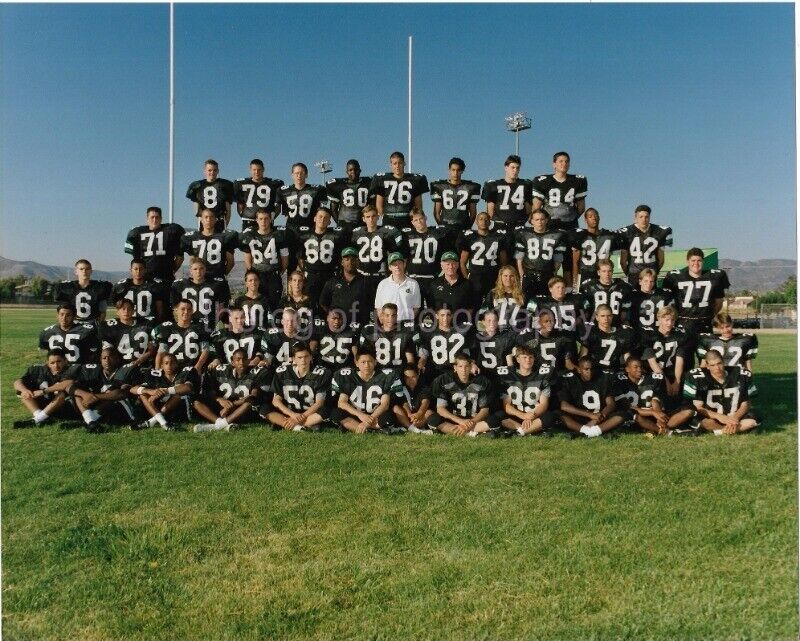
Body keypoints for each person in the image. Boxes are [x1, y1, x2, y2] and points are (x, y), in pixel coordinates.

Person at [662, 247, 731, 360]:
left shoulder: (714, 276)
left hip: (704, 324)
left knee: (706, 359)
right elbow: (668, 302)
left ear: (703, 261)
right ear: (687, 262)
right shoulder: (675, 277)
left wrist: (710, 315)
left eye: (699, 260)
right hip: (684, 324)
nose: (696, 263)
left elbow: (719, 302)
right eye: (693, 260)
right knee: (684, 361)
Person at [613, 356, 694, 436]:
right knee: (633, 415)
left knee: (688, 411)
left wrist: (658, 415)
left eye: (641, 367)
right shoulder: (620, 381)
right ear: (627, 369)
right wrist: (652, 412)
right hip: (636, 416)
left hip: (652, 414)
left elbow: (655, 400)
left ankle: (659, 428)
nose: (639, 369)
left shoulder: (652, 378)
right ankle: (665, 431)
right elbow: (627, 407)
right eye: (635, 367)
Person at [683, 350, 759, 435]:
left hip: (734, 415)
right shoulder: (696, 377)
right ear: (707, 366)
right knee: (705, 422)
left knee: (753, 417)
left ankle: (720, 431)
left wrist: (735, 418)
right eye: (712, 365)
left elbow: (746, 404)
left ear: (723, 362)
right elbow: (698, 408)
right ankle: (734, 429)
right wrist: (720, 417)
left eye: (719, 363)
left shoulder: (741, 374)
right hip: (711, 417)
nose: (717, 368)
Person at [330, 347, 404, 434]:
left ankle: (359, 428)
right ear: (356, 363)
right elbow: (342, 403)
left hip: (375, 416)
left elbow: (385, 404)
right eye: (363, 362)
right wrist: (360, 415)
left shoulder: (384, 376)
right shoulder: (347, 376)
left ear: (375, 362)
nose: (366, 365)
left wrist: (368, 420)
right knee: (336, 413)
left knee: (389, 416)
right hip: (356, 415)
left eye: (370, 361)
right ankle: (371, 431)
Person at [192, 349, 267, 432]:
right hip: (221, 407)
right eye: (238, 360)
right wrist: (220, 399)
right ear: (232, 362)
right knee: (196, 402)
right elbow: (209, 391)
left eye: (244, 359)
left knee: (248, 404)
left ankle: (217, 426)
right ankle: (221, 423)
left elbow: (253, 395)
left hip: (240, 410)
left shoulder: (256, 372)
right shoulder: (221, 371)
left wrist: (230, 405)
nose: (241, 362)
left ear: (249, 360)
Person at [69, 347, 140, 432]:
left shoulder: (124, 371)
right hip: (102, 411)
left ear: (117, 359)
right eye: (104, 358)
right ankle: (91, 422)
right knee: (78, 394)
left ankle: (90, 419)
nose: (107, 360)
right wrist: (86, 395)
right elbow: (71, 387)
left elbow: (122, 394)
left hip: (121, 412)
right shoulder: (95, 372)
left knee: (112, 397)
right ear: (100, 360)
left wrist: (95, 396)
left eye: (110, 357)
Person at [427, 352, 497, 436]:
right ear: (455, 367)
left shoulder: (482, 382)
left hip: (474, 421)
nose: (463, 370)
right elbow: (440, 409)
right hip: (453, 421)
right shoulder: (444, 380)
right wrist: (461, 421)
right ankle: (471, 434)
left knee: (494, 420)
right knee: (433, 419)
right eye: (460, 366)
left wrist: (471, 422)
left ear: (471, 367)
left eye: (466, 366)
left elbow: (484, 411)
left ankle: (457, 432)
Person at [266, 342, 332, 432]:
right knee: (265, 408)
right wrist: (293, 415)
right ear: (294, 359)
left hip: (310, 413)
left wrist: (300, 417)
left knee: (327, 410)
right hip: (290, 412)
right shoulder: (283, 372)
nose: (303, 360)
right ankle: (302, 427)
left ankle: (287, 425)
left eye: (306, 356)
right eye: (299, 357)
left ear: (311, 357)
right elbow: (276, 401)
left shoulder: (321, 373)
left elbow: (319, 403)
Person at [495, 344, 557, 436]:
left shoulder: (542, 376)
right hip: (516, 416)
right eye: (524, 357)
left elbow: (544, 404)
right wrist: (522, 415)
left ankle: (518, 432)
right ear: (518, 359)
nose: (528, 360)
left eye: (530, 357)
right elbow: (506, 406)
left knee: (550, 416)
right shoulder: (508, 376)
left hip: (534, 416)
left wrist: (531, 416)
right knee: (498, 415)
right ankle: (531, 430)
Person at [129, 352, 201, 430]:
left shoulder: (185, 371)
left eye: (172, 363)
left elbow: (188, 387)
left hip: (179, 407)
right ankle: (164, 423)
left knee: (178, 395)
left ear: (177, 364)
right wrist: (149, 391)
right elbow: (132, 389)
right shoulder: (154, 374)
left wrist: (164, 391)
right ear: (161, 366)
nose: (169, 366)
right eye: (166, 363)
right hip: (158, 406)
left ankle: (153, 421)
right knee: (143, 394)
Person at [350, 204, 404, 306]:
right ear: (363, 219)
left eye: (373, 216)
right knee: (362, 306)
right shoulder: (356, 233)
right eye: (368, 217)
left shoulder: (387, 232)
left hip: (380, 275)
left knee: (381, 305)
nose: (371, 219)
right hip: (361, 275)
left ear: (378, 217)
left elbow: (394, 252)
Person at [559, 356, 625, 437]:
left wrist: (601, 415)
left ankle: (588, 432)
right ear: (579, 370)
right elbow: (564, 406)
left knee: (621, 415)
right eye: (586, 369)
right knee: (558, 414)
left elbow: (611, 404)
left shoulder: (603, 379)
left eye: (592, 369)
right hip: (579, 417)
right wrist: (590, 415)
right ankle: (589, 430)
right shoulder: (570, 380)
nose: (589, 372)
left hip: (600, 417)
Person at [239, 208, 291, 311]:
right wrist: (252, 272)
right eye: (261, 219)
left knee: (274, 305)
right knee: (256, 305)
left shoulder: (279, 235)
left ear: (271, 220)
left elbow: (285, 259)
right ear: (256, 220)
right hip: (257, 275)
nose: (263, 221)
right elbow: (247, 258)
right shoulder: (250, 235)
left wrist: (279, 272)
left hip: (273, 275)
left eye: (266, 219)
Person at [13, 349, 80, 428]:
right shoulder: (38, 369)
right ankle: (40, 415)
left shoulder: (72, 369)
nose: (56, 365)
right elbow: (17, 382)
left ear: (65, 361)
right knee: (22, 391)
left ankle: (37, 419)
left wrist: (43, 391)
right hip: (43, 404)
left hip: (64, 406)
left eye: (59, 361)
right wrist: (24, 390)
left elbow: (67, 383)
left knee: (62, 394)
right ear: (47, 363)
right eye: (52, 363)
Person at [403, 208, 455, 307]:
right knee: (415, 310)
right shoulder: (407, 235)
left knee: (436, 309)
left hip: (432, 278)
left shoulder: (438, 233)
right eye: (416, 220)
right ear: (412, 222)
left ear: (426, 218)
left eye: (421, 218)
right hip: (414, 278)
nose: (419, 222)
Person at [514, 210, 570, 298]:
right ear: (531, 221)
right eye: (536, 220)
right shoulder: (523, 234)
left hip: (548, 275)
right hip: (529, 276)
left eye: (542, 219)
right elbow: (519, 259)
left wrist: (554, 274)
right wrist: (522, 276)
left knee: (547, 303)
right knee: (528, 304)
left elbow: (558, 260)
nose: (539, 222)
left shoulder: (557, 235)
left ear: (546, 220)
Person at [297, 206, 345, 308]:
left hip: (329, 275)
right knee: (310, 305)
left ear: (329, 222)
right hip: (311, 276)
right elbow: (301, 257)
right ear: (314, 218)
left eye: (326, 218)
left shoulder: (335, 236)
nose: (322, 220)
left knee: (328, 305)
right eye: (320, 216)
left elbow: (339, 257)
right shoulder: (305, 235)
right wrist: (305, 270)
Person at [458, 211, 508, 305]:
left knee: (493, 306)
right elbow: (462, 262)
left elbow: (504, 262)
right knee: (474, 306)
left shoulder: (498, 237)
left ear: (490, 222)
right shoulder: (470, 237)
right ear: (476, 221)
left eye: (486, 219)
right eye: (480, 219)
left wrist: (500, 277)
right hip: (475, 277)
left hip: (493, 276)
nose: (483, 221)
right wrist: (467, 277)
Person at [370, 150, 429, 229]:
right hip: (389, 218)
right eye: (394, 163)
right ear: (391, 165)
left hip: (407, 219)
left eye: (400, 163)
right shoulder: (381, 179)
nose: (397, 166)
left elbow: (418, 205)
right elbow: (379, 204)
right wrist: (384, 216)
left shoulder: (415, 180)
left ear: (404, 163)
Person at [124, 206, 185, 283]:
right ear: (147, 219)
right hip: (146, 279)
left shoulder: (171, 231)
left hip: (166, 278)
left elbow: (180, 257)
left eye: (157, 217)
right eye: (152, 217)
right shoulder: (137, 233)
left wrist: (172, 270)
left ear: (161, 219)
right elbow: (136, 261)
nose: (154, 220)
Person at [531, 151, 588, 231]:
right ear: (554, 164)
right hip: (550, 225)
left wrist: (569, 217)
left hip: (570, 225)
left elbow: (581, 208)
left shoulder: (578, 181)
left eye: (566, 161)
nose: (564, 163)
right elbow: (536, 208)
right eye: (561, 161)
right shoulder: (542, 181)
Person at [358, 303, 420, 376]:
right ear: (382, 316)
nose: (390, 319)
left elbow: (410, 358)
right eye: (387, 315)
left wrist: (410, 371)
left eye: (393, 315)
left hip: (398, 372)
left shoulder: (405, 332)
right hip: (378, 373)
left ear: (397, 316)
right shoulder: (370, 332)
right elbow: (366, 357)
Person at [617, 205, 673, 285]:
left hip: (650, 276)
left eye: (646, 217)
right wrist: (630, 274)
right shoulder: (625, 233)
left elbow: (661, 260)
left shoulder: (660, 232)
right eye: (641, 217)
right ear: (635, 217)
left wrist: (654, 273)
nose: (644, 219)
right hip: (634, 275)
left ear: (649, 217)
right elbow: (623, 262)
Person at [169, 258, 230, 330]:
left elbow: (221, 307)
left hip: (208, 324)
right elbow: (175, 308)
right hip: (187, 324)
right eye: (195, 269)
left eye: (201, 268)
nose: (198, 271)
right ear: (190, 271)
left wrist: (214, 321)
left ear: (205, 269)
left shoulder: (216, 284)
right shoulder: (179, 285)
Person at [151, 298, 210, 373]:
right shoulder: (168, 329)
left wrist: (197, 367)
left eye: (189, 309)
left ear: (192, 311)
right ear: (176, 310)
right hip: (172, 370)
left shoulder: (199, 328)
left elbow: (205, 350)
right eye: (183, 309)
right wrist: (157, 370)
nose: (186, 312)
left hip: (192, 369)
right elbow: (162, 352)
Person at [640, 306, 689, 397]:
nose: (670, 323)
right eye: (666, 320)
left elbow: (679, 360)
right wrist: (665, 381)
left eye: (672, 320)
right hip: (653, 374)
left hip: (672, 372)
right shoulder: (649, 335)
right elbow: (652, 362)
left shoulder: (679, 335)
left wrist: (677, 382)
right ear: (659, 319)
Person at [318, 247, 373, 326]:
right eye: (347, 259)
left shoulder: (366, 281)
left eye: (353, 259)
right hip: (338, 326)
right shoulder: (332, 282)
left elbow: (372, 304)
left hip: (359, 326)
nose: (350, 262)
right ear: (342, 262)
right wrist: (333, 315)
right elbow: (323, 303)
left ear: (357, 262)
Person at [571, 208, 622, 291]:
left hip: (604, 274)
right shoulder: (580, 236)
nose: (594, 218)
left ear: (599, 218)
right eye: (590, 216)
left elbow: (621, 250)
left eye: (596, 215)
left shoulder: (609, 235)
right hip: (586, 274)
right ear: (586, 220)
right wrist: (575, 284)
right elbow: (575, 262)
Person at [417, 305, 475, 378]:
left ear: (452, 316)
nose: (445, 318)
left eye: (448, 315)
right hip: (436, 372)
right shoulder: (429, 333)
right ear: (436, 316)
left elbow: (466, 354)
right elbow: (423, 355)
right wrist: (420, 364)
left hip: (456, 372)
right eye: (442, 315)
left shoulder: (460, 332)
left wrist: (472, 364)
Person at [518, 308, 578, 377]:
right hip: (538, 377)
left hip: (557, 375)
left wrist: (578, 370)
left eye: (551, 321)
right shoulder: (531, 338)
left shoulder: (562, 338)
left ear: (555, 321)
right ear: (539, 322)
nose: (549, 323)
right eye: (546, 321)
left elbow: (568, 363)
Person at [180, 209, 238, 279]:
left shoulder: (224, 237)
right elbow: (193, 260)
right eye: (206, 217)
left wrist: (222, 274)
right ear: (201, 219)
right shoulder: (194, 237)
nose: (208, 220)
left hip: (217, 278)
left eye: (211, 217)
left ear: (215, 220)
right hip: (200, 278)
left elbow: (230, 262)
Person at [580, 304, 637, 373]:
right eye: (602, 316)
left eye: (609, 316)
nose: (606, 319)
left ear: (612, 316)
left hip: (614, 371)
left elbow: (627, 356)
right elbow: (583, 356)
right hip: (595, 371)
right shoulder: (591, 333)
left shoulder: (621, 333)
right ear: (597, 317)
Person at [98, 298, 155, 367]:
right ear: (117, 311)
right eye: (123, 309)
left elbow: (152, 349)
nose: (126, 311)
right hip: (119, 365)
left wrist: (140, 360)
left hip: (143, 363)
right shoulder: (109, 327)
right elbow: (107, 352)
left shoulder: (146, 324)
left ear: (133, 311)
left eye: (129, 309)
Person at [53, 258, 113, 323]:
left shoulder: (99, 287)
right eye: (81, 269)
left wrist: (99, 325)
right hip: (74, 324)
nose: (84, 271)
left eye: (87, 269)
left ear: (91, 271)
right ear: (76, 271)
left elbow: (103, 311)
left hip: (93, 323)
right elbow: (64, 311)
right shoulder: (67, 288)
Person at [481, 154, 533, 228]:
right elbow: (490, 211)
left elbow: (528, 209)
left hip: (519, 225)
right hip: (500, 225)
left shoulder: (526, 185)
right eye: (513, 167)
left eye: (517, 168)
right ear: (506, 168)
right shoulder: (493, 185)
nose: (515, 170)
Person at [427, 251, 478, 327]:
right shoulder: (434, 284)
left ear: (457, 265)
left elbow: (471, 308)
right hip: (440, 328)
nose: (450, 267)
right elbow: (431, 307)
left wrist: (463, 324)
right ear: (441, 265)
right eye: (447, 264)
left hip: (460, 327)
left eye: (453, 264)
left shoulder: (467, 284)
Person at [429, 157, 481, 231]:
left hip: (463, 226)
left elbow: (473, 213)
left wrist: (467, 227)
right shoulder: (439, 186)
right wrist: (441, 227)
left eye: (458, 170)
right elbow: (436, 212)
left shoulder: (471, 187)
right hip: (445, 226)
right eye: (453, 170)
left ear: (462, 171)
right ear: (449, 170)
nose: (455, 173)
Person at [325, 159, 372, 240]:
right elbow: (333, 209)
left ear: (360, 170)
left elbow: (372, 205)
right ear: (346, 171)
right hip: (345, 224)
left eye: (355, 169)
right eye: (350, 170)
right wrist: (339, 223)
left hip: (363, 223)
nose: (353, 172)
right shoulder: (338, 185)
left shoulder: (368, 183)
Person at [233, 158, 284, 232]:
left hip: (266, 221)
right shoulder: (240, 184)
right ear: (250, 170)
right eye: (254, 170)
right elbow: (240, 204)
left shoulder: (274, 184)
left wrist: (271, 218)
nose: (256, 172)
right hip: (248, 221)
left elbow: (278, 205)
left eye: (259, 170)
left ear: (263, 170)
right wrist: (244, 216)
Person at [276, 161, 328, 233]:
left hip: (311, 229)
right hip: (291, 229)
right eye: (296, 173)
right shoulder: (283, 191)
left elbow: (322, 211)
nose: (299, 175)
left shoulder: (317, 190)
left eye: (302, 173)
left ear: (306, 175)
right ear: (292, 175)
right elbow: (285, 213)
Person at [580, 258, 635, 325]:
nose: (607, 274)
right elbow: (585, 311)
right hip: (595, 326)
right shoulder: (589, 286)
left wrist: (624, 323)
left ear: (613, 271)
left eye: (609, 271)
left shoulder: (622, 286)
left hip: (616, 325)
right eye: (604, 271)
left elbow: (625, 312)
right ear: (598, 272)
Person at [186, 159, 234, 232]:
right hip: (204, 221)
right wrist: (203, 220)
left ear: (218, 171)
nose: (212, 172)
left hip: (219, 221)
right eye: (209, 170)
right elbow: (197, 210)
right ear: (204, 171)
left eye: (214, 170)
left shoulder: (225, 185)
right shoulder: (197, 186)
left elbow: (228, 211)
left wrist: (225, 225)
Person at [262, 307, 314, 373]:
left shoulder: (303, 339)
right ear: (282, 321)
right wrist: (265, 363)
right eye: (287, 320)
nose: (290, 324)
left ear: (297, 322)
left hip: (296, 373)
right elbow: (268, 359)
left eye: (293, 321)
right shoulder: (273, 336)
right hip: (276, 372)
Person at [374, 253, 421, 322]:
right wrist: (384, 322)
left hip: (405, 325)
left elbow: (416, 307)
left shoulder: (413, 284)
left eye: (399, 263)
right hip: (388, 324)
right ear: (390, 267)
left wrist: (409, 322)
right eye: (394, 264)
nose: (397, 267)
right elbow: (379, 307)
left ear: (404, 264)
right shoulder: (383, 284)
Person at [479, 265, 527, 332]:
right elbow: (483, 313)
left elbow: (528, 315)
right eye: (505, 276)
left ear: (515, 278)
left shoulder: (522, 295)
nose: (508, 278)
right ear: (500, 277)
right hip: (498, 334)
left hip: (518, 334)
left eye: (511, 276)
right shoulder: (493, 294)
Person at [472, 308, 518, 376]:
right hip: (482, 375)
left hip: (501, 375)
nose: (492, 323)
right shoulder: (477, 338)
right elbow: (473, 358)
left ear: (498, 321)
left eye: (494, 320)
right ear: (483, 322)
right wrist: (472, 365)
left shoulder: (504, 338)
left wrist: (512, 375)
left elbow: (509, 361)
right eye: (489, 321)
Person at [629, 268, 675, 335]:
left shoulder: (663, 295)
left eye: (651, 281)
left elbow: (671, 315)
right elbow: (625, 319)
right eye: (646, 281)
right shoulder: (633, 296)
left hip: (658, 333)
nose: (648, 284)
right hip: (639, 334)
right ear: (640, 281)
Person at [393, 364, 434, 434]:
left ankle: (409, 427)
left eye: (413, 377)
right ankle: (413, 428)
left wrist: (419, 414)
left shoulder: (424, 386)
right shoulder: (401, 387)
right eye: (407, 377)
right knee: (395, 408)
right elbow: (404, 402)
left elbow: (425, 402)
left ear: (418, 375)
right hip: (406, 416)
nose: (410, 380)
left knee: (429, 412)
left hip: (418, 416)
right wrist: (409, 414)